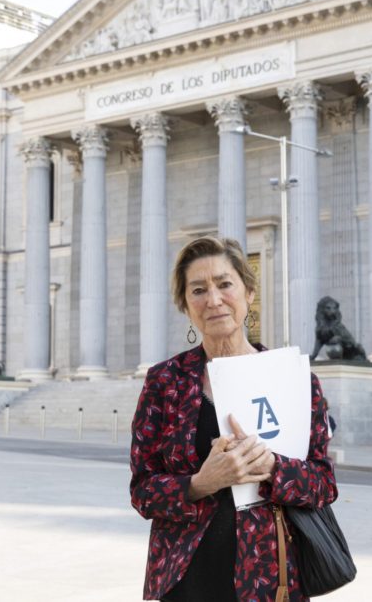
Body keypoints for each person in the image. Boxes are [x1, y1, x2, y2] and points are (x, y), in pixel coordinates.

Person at [130, 236, 338, 602]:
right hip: (184, 579)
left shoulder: (293, 377)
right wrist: (199, 483)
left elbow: (323, 484)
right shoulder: (165, 382)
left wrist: (274, 467)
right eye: (198, 290)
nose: (213, 300)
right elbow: (142, 491)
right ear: (185, 304)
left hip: (268, 580)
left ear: (249, 292)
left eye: (225, 284)